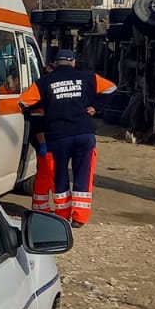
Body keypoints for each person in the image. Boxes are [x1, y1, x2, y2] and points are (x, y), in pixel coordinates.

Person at [20, 48, 116, 227]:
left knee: (60, 175)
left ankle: (62, 215)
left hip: (58, 136)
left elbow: (24, 102)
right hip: (84, 133)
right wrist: (96, 107)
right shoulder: (87, 78)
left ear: (55, 63)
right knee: (83, 174)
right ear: (73, 63)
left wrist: (44, 107)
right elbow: (111, 88)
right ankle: (79, 218)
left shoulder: (44, 82)